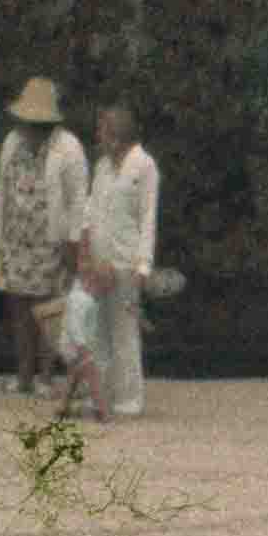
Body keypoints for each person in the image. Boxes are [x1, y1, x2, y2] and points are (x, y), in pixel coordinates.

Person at [0, 74, 90, 389]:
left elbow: (77, 201)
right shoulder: (11, 142)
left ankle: (46, 376)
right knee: (18, 310)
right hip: (16, 239)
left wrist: (75, 241)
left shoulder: (69, 148)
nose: (27, 127)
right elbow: (1, 188)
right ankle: (23, 377)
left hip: (51, 241)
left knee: (48, 312)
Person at [67, 103, 162, 419]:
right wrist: (84, 254)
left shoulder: (144, 166)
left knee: (124, 330)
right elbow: (89, 211)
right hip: (99, 259)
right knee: (97, 331)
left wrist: (144, 266)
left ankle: (130, 399)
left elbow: (148, 217)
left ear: (116, 135)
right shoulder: (103, 167)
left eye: (102, 131)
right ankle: (102, 394)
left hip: (127, 260)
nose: (98, 136)